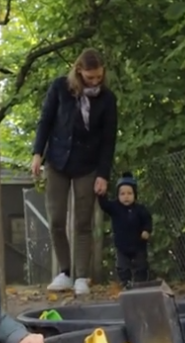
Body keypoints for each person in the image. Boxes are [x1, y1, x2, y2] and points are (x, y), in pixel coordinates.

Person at [31, 48, 119, 295]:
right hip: (57, 161)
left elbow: (108, 140)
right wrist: (37, 152)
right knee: (56, 219)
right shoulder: (60, 88)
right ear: (79, 71)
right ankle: (64, 272)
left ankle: (82, 276)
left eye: (99, 77)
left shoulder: (108, 99)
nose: (95, 82)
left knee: (83, 222)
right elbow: (46, 120)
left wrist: (103, 174)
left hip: (88, 165)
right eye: (90, 78)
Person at [98, 172, 152, 287]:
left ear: (135, 195)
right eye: (122, 194)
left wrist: (146, 230)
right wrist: (101, 195)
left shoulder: (140, 210)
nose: (126, 196)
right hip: (121, 245)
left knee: (141, 265)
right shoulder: (115, 208)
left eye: (129, 193)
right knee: (122, 266)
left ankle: (140, 283)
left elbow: (147, 220)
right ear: (118, 195)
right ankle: (125, 283)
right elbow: (104, 205)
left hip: (138, 244)